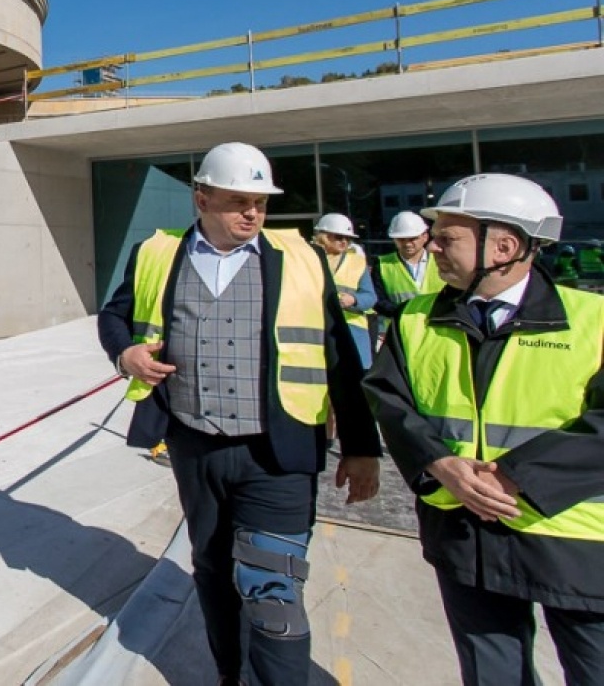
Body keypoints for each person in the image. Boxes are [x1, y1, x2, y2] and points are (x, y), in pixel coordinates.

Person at [99, 142, 381, 686]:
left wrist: (363, 446)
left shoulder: (301, 259)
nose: (252, 213)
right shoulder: (157, 254)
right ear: (201, 198)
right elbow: (115, 316)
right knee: (211, 569)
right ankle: (230, 673)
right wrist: (124, 354)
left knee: (273, 587)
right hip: (193, 446)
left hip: (277, 454)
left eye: (260, 202)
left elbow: (340, 355)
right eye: (237, 201)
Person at [363, 174, 604, 685]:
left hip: (573, 544)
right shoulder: (416, 320)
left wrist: (516, 477)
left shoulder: (595, 320)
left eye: (447, 237)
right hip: (465, 539)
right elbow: (390, 401)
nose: (433, 247)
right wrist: (437, 462)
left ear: (506, 246)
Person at [311, 212, 377, 367]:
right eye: (338, 237)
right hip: (318, 327)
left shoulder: (357, 261)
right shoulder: (309, 258)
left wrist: (354, 300)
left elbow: (370, 297)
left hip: (353, 330)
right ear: (324, 236)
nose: (344, 241)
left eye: (347, 238)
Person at [370, 210, 442, 347]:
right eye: (401, 239)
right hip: (399, 332)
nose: (407, 243)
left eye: (412, 238)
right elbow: (378, 300)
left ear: (425, 236)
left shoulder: (440, 261)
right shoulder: (382, 264)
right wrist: (404, 312)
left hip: (435, 331)